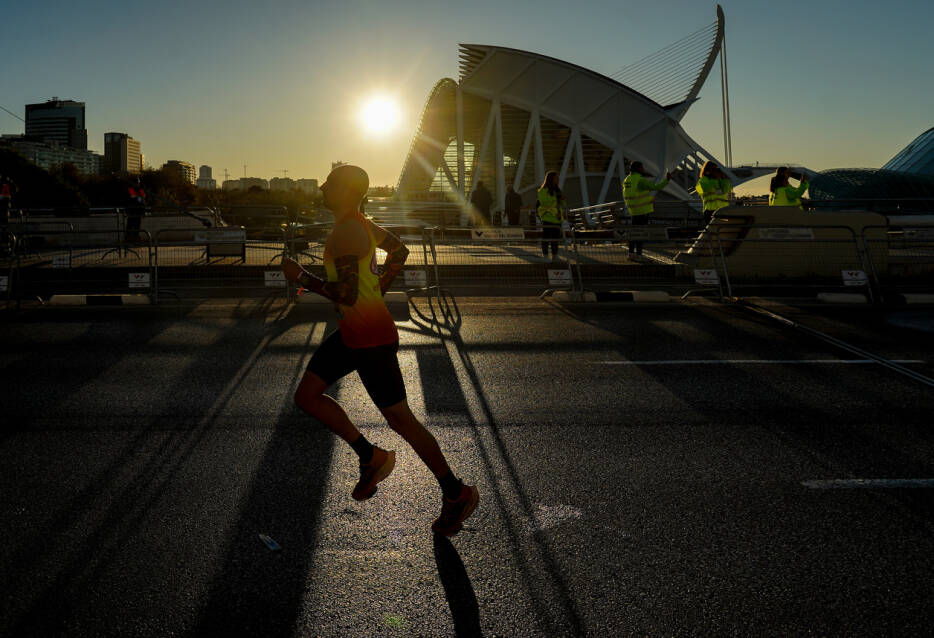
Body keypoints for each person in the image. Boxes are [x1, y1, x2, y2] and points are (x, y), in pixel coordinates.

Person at [281, 164, 479, 536]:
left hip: (370, 337)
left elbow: (347, 293)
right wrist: (380, 288)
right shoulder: (362, 223)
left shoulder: (347, 231)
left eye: (329, 182)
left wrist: (302, 278)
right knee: (307, 396)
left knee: (401, 420)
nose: (322, 186)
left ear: (344, 191)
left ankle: (456, 492)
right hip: (355, 332)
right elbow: (399, 251)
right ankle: (370, 455)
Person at [622, 161, 670, 258]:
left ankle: (631, 253)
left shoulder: (627, 179)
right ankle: (639, 254)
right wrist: (667, 180)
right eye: (642, 167)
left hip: (633, 210)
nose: (643, 169)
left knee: (633, 233)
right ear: (638, 169)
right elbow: (656, 187)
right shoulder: (640, 180)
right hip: (642, 210)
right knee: (641, 234)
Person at [536, 171, 566, 262]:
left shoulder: (557, 189)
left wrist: (562, 199)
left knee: (555, 239)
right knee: (546, 237)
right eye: (556, 178)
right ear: (551, 179)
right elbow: (544, 203)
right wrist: (555, 204)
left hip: (557, 217)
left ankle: (555, 256)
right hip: (548, 217)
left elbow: (562, 204)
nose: (558, 180)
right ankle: (545, 256)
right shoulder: (543, 190)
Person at [695, 161, 732, 226]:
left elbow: (727, 190)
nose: (716, 171)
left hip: (723, 210)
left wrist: (724, 179)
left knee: (724, 230)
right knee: (713, 231)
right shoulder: (702, 180)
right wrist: (714, 179)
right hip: (710, 211)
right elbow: (700, 190)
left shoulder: (719, 180)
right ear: (708, 170)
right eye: (714, 169)